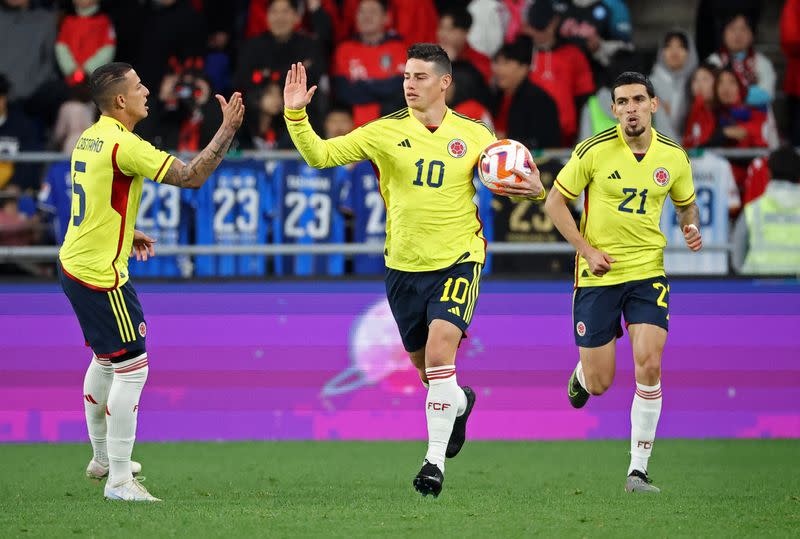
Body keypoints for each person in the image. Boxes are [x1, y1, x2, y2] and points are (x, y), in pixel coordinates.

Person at [282, 44, 543, 497]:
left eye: (420, 76)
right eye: (406, 75)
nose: (409, 83)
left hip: (459, 259)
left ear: (444, 83)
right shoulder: (383, 132)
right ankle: (460, 405)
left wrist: (533, 189)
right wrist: (296, 117)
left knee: (442, 355)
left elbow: (512, 182)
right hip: (403, 267)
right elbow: (320, 157)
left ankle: (433, 464)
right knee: (430, 375)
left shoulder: (477, 135)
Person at [57, 62, 243, 501]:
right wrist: (228, 128)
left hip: (74, 262)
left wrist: (125, 230)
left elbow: (97, 194)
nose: (146, 91)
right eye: (138, 86)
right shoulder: (126, 144)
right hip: (102, 276)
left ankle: (103, 457)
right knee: (132, 369)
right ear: (120, 100)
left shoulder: (91, 135)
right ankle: (120, 481)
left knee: (106, 362)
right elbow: (192, 177)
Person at [544, 71, 702, 493]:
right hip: (598, 275)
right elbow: (555, 203)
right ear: (613, 110)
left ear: (653, 104)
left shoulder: (674, 158)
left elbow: (687, 208)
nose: (630, 108)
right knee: (600, 384)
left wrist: (690, 228)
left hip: (647, 272)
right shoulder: (593, 151)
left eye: (637, 99)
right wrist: (587, 250)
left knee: (649, 363)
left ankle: (638, 470)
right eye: (622, 102)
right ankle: (582, 373)